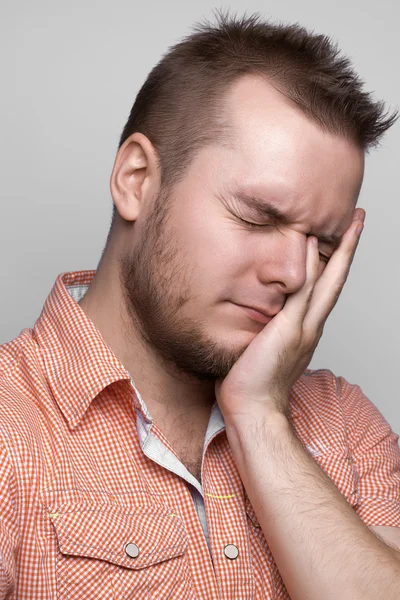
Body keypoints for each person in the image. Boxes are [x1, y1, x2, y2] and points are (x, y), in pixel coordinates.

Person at [1, 11, 400, 600]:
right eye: (257, 217)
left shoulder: (344, 424)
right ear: (137, 180)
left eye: (323, 245)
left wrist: (261, 416)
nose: (293, 274)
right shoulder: (11, 429)